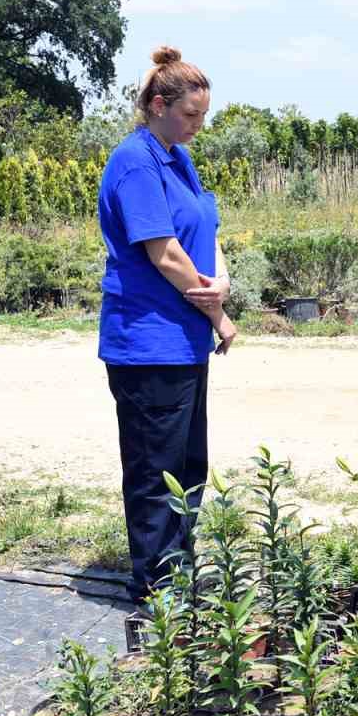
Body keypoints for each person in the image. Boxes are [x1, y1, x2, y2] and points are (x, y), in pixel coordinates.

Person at [97, 46, 238, 603]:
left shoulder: (177, 156)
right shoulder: (135, 162)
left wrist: (222, 278)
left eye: (203, 116)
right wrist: (220, 313)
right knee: (156, 470)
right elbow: (166, 253)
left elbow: (206, 226)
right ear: (158, 105)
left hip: (184, 340)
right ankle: (154, 585)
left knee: (188, 464)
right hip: (148, 341)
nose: (198, 126)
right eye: (190, 115)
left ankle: (180, 570)